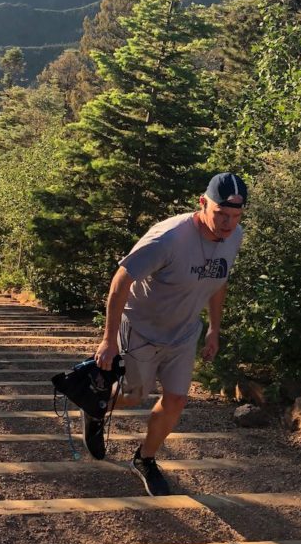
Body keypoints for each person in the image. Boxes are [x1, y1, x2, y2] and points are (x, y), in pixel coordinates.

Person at [84, 172, 247, 496]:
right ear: (202, 203)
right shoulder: (169, 238)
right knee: (134, 396)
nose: (228, 224)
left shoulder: (234, 236)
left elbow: (219, 280)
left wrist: (215, 327)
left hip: (184, 334)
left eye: (235, 216)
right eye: (221, 214)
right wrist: (109, 340)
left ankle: (145, 459)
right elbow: (120, 282)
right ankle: (96, 405)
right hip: (141, 330)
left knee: (176, 399)